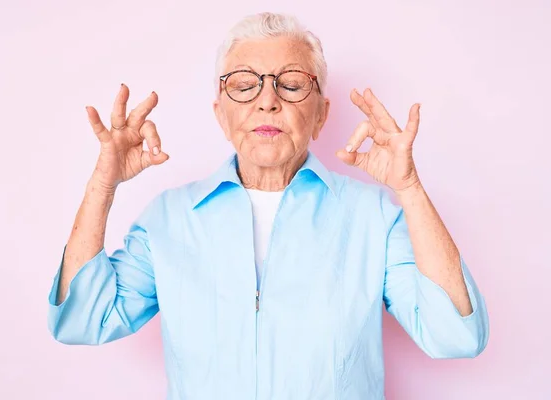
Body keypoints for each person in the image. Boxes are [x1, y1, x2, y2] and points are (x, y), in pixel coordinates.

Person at [47, 12, 489, 400]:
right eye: (244, 85)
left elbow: (455, 334)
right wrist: (103, 184)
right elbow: (83, 320)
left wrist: (408, 187)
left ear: (321, 115)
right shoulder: (168, 219)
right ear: (221, 115)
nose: (267, 99)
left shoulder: (373, 216)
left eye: (292, 84)